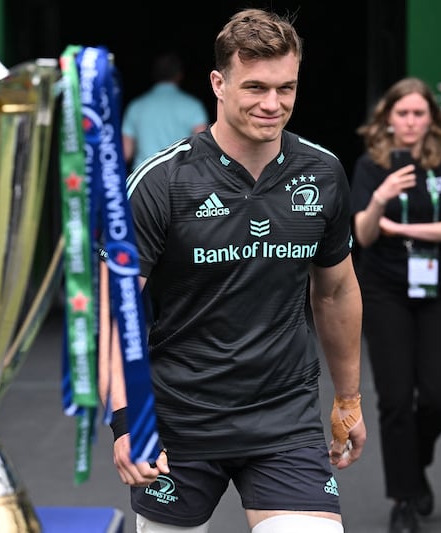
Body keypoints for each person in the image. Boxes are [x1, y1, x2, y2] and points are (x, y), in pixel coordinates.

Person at [105, 8, 366, 533]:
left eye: (286, 87)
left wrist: (348, 397)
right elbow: (116, 311)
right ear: (218, 84)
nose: (273, 104)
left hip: (284, 420)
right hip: (179, 422)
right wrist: (123, 420)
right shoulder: (161, 183)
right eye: (255, 87)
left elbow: (335, 292)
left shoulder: (322, 172)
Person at [350, 77, 441, 533]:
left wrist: (400, 230)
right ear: (387, 118)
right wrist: (381, 198)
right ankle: (404, 496)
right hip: (384, 291)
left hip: (438, 289)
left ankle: (414, 462)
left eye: (418, 113)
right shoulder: (370, 167)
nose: (409, 121)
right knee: (396, 399)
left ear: (431, 119)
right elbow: (363, 235)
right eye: (401, 113)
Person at [121, 51, 208, 170]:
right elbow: (203, 149)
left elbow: (125, 153)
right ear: (180, 75)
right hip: (180, 178)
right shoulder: (193, 106)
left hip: (142, 180)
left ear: (153, 74)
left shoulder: (136, 106)